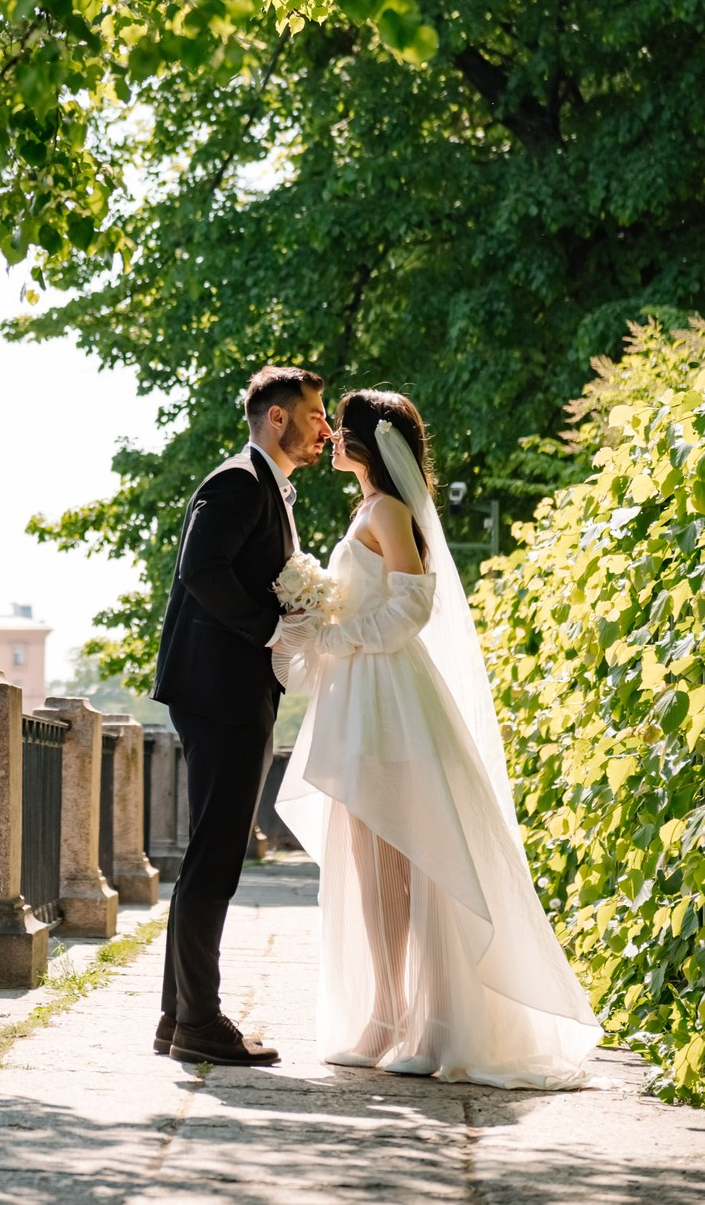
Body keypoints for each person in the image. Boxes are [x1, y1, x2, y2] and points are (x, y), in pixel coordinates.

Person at [274, 388, 601, 1086]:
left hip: (391, 702)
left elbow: (410, 608)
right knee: (369, 865)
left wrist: (335, 633)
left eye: (342, 428)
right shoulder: (366, 508)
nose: (330, 436)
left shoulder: (389, 511)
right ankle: (384, 1016)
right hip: (361, 698)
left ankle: (429, 1024)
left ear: (369, 441)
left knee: (408, 862)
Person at [151, 363, 331, 1066]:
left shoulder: (266, 487)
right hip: (219, 691)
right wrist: (270, 626)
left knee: (211, 857)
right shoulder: (237, 480)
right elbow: (202, 569)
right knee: (215, 860)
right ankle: (199, 1023)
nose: (325, 427)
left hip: (229, 690)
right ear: (277, 417)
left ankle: (179, 1019)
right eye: (314, 413)